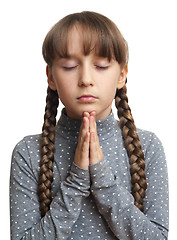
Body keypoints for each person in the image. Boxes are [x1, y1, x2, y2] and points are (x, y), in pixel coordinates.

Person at [10, 11, 169, 240]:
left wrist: (102, 179)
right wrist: (76, 181)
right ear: (51, 77)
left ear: (122, 75)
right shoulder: (28, 152)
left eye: (101, 66)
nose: (86, 79)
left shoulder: (148, 146)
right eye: (69, 66)